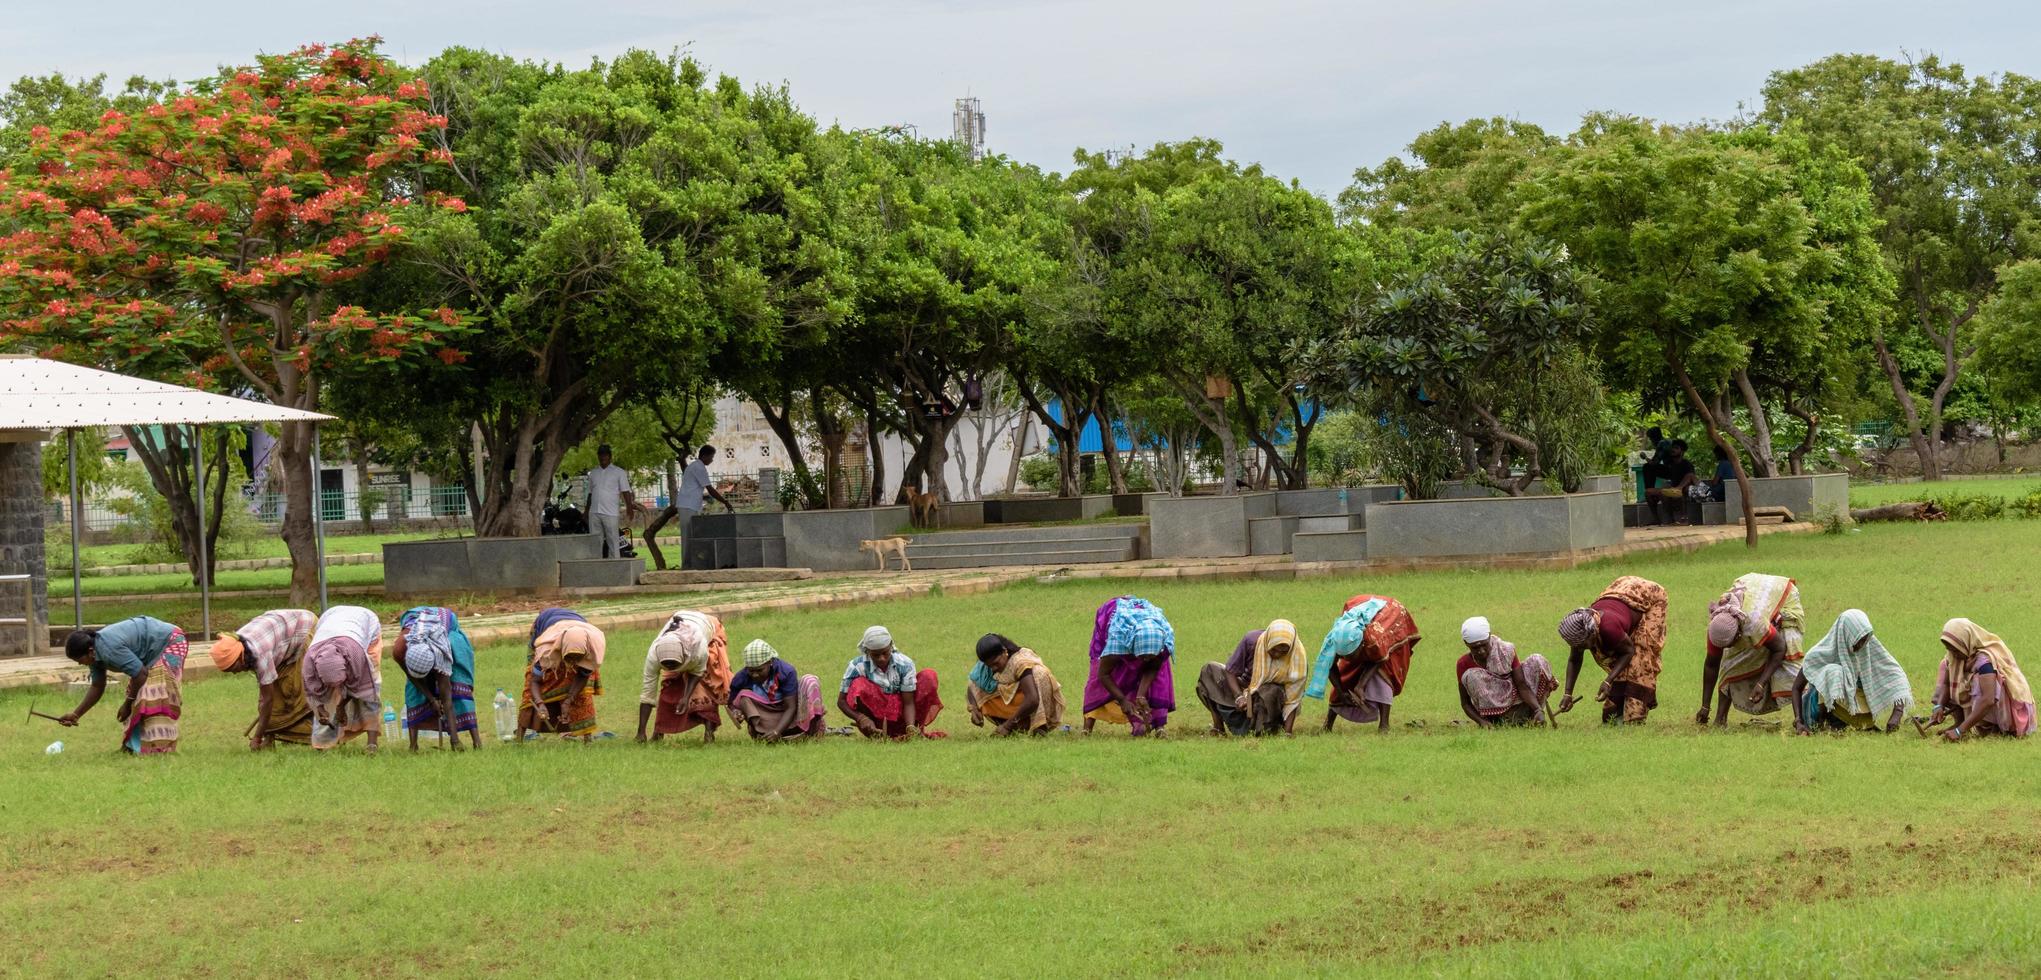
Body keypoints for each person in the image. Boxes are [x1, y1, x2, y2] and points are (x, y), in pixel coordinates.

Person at [57, 616, 188, 754]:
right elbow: (97, 686)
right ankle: (132, 748)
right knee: (137, 693)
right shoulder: (95, 656)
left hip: (170, 641)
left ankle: (159, 748)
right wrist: (76, 714)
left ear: (90, 651)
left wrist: (127, 704)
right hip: (150, 653)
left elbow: (140, 674)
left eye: (79, 659)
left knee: (155, 694)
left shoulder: (108, 649)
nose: (79, 664)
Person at [1699, 573, 1806, 728]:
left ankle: (1804, 717)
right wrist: (1705, 706)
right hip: (1751, 587)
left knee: (1789, 650)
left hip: (1783, 595)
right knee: (1729, 663)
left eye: (1730, 644)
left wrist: (1761, 683)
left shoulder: (1754, 623)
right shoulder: (1717, 629)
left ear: (1739, 633)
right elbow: (1711, 665)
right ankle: (1720, 719)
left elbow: (1779, 648)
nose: (1727, 648)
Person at [1557, 575, 1668, 724]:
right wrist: (1567, 694)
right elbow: (1574, 659)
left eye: (1583, 646)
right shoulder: (1582, 630)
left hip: (1650, 595)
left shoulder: (1608, 628)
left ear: (1593, 634)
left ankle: (1635, 715)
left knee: (1641, 658)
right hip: (1621, 590)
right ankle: (1617, 709)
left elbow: (1629, 651)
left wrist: (1608, 681)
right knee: (1620, 657)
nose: (1581, 649)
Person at [1306, 594, 1421, 733]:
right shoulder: (1334, 640)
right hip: (1360, 612)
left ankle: (1384, 725)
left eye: (1351, 655)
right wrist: (1342, 692)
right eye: (1344, 656)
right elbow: (1329, 667)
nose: (1348, 659)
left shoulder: (1374, 639)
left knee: (1385, 673)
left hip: (1390, 617)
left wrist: (1360, 685)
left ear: (1361, 646)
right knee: (1347, 672)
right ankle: (1327, 725)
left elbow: (1379, 659)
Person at [212, 608, 317, 749]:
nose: (235, 674)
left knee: (296, 692)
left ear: (241, 658)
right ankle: (270, 737)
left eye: (233, 669)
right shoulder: (239, 642)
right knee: (277, 693)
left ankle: (319, 737)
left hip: (304, 627)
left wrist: (256, 737)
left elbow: (267, 700)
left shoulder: (259, 654)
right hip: (283, 634)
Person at [1793, 609, 1910, 734]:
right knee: (1832, 672)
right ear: (1845, 636)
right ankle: (1824, 725)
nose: (1861, 645)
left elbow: (1896, 676)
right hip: (1818, 710)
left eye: (1864, 639)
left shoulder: (1867, 646)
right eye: (1858, 641)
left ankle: (1859, 725)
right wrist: (1798, 722)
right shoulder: (1819, 654)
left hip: (1858, 710)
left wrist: (1897, 714)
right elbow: (1796, 688)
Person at [1083, 596, 1177, 737]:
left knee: (1160, 677)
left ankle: (1159, 726)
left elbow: (1152, 668)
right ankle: (1087, 728)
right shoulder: (1117, 639)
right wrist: (1122, 700)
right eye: (1142, 656)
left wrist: (1140, 696)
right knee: (1098, 672)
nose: (1145, 660)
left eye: (1150, 657)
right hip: (1113, 618)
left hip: (1147, 633)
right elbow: (1103, 674)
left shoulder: (1163, 643)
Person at [1929, 618, 2035, 741]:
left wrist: (1959, 731)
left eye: (1955, 649)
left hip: (2010, 708)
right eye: (1949, 649)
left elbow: (1988, 699)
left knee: (1976, 682)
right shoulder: (1954, 656)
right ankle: (1961, 722)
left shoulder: (1984, 660)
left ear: (1966, 642)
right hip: (1985, 702)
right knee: (1946, 666)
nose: (1952, 653)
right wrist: (1939, 706)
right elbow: (1947, 684)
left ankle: (1994, 726)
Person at [1196, 620, 1306, 736]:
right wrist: (1239, 696)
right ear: (1268, 642)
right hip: (1246, 688)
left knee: (1270, 691)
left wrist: (1288, 733)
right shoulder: (1252, 641)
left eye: (1283, 652)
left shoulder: (1297, 657)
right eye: (1273, 650)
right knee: (1209, 671)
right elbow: (1230, 671)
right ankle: (1218, 727)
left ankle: (1261, 731)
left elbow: (1293, 699)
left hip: (1270, 701)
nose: (1277, 654)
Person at [636, 609, 730, 743]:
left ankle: (709, 733)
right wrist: (641, 732)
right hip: (683, 631)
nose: (670, 669)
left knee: (706, 686)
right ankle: (658, 733)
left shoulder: (698, 648)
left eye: (674, 665)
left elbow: (698, 672)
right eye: (666, 666)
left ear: (684, 656)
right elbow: (647, 694)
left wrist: (686, 697)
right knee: (669, 686)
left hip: (707, 626)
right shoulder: (653, 656)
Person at [393, 606, 480, 751]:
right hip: (416, 619)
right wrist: (431, 698)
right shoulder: (400, 650)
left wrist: (455, 741)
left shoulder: (442, 653)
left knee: (458, 682)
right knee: (413, 691)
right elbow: (412, 677)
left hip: (447, 624)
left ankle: (476, 741)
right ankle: (413, 746)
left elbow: (447, 700)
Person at [303, 604, 385, 752]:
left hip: (365, 622)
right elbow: (312, 690)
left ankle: (372, 744)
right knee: (328, 698)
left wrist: (341, 706)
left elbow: (360, 686)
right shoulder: (309, 661)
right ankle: (323, 744)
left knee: (370, 691)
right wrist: (320, 708)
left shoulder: (356, 654)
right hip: (330, 616)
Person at [839, 626, 942, 739]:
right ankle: (879, 735)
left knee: (928, 676)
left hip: (904, 717)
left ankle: (912, 731)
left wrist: (910, 728)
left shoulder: (905, 664)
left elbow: (908, 702)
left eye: (885, 653)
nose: (881, 658)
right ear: (867, 651)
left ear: (891, 646)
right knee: (858, 684)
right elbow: (841, 701)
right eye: (875, 655)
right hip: (874, 725)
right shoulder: (856, 666)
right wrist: (860, 718)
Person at [522, 607, 608, 740]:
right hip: (547, 626)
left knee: (585, 687)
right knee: (531, 678)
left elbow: (582, 675)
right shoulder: (545, 650)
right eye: (570, 658)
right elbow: (534, 681)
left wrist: (568, 701)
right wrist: (540, 703)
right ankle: (521, 735)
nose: (573, 662)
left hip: (578, 628)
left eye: (577, 658)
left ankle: (585, 737)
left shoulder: (593, 648)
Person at [1455, 617, 1555, 728]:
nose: (1481, 651)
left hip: (1520, 703)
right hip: (1496, 717)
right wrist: (1481, 722)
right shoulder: (1463, 664)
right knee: (1472, 676)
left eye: (1484, 644)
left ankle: (1532, 716)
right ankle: (1500, 720)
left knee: (1537, 660)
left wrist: (1538, 710)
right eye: (1475, 648)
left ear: (1489, 636)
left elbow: (1521, 685)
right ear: (1466, 643)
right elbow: (1465, 703)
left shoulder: (1505, 650)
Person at [727, 639, 827, 741]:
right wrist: (736, 712)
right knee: (743, 695)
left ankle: (811, 730)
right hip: (765, 717)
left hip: (790, 714)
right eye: (751, 671)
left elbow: (791, 707)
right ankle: (760, 733)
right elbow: (731, 702)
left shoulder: (786, 671)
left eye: (759, 670)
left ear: (770, 662)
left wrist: (777, 731)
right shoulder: (741, 677)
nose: (755, 675)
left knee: (810, 680)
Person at [968, 633, 1066, 736]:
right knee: (981, 684)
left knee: (1039, 673)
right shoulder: (986, 665)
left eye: (996, 663)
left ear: (1004, 651)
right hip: (1015, 702)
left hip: (1031, 702)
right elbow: (972, 685)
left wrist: (1007, 726)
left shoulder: (1020, 662)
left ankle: (1038, 726)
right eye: (989, 665)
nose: (993, 668)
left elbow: (1032, 699)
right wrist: (974, 708)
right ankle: (1011, 727)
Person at [675, 445, 736, 559]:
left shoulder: (694, 466)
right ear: (704, 456)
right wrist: (725, 502)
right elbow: (710, 489)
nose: (712, 460)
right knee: (688, 536)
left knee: (691, 535)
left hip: (690, 504)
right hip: (688, 505)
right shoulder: (699, 467)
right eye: (711, 457)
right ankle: (687, 564)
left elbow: (699, 488)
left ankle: (691, 562)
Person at [585, 444, 641, 560]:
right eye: (600, 455)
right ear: (598, 456)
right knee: (595, 541)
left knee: (613, 541)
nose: (603, 457)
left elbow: (626, 491)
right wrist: (586, 511)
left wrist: (629, 508)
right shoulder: (593, 473)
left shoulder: (619, 472)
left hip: (610, 512)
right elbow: (590, 493)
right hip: (594, 512)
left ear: (610, 456)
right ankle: (597, 565)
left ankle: (614, 565)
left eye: (605, 455)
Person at [1643, 439, 1697, 525]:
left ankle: (1677, 518)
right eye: (1672, 448)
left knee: (1666, 492)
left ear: (1682, 451)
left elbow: (1691, 476)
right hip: (1671, 490)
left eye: (1676, 448)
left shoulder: (1686, 464)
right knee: (1648, 492)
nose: (1673, 450)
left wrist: (1679, 487)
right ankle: (1656, 519)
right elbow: (1655, 466)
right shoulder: (1670, 464)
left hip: (1681, 491)